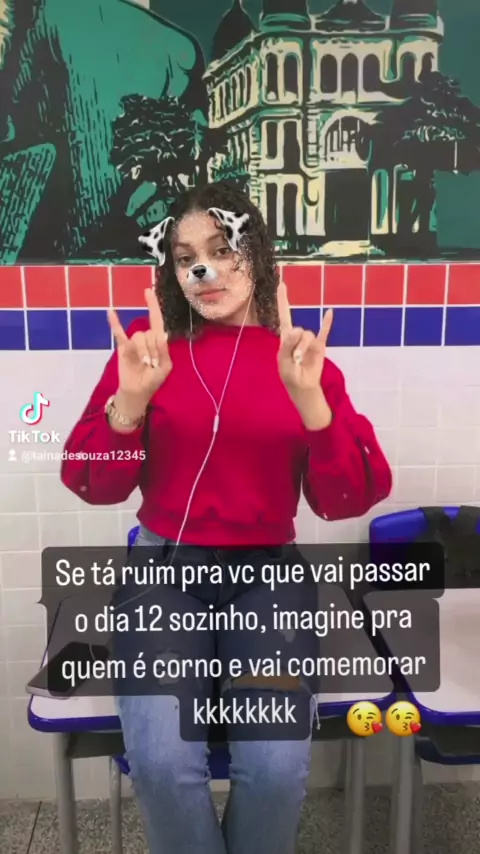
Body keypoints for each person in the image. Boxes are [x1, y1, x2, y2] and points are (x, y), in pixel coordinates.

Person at [61, 180, 392, 854]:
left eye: (221, 250)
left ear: (257, 255)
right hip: (164, 575)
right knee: (161, 763)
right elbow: (91, 483)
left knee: (274, 769)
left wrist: (314, 406)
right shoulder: (149, 355)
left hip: (268, 580)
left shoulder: (298, 361)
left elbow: (347, 499)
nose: (204, 271)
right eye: (186, 259)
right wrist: (129, 405)